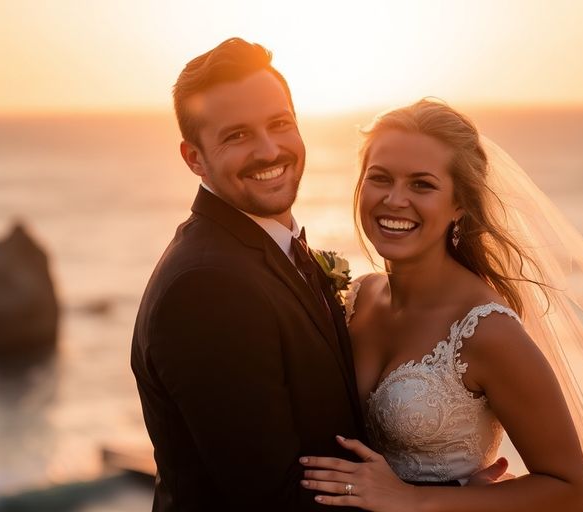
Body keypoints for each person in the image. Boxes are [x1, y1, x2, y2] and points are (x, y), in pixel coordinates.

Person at [130, 40, 505, 511]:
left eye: (280, 124)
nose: (269, 150)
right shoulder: (207, 286)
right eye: (237, 136)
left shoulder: (269, 253)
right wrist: (438, 500)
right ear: (194, 158)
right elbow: (274, 502)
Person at [300, 99, 583, 511]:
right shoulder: (361, 296)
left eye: (422, 184)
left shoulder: (486, 330)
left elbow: (570, 491)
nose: (394, 199)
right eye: (380, 178)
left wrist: (413, 500)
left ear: (459, 203)